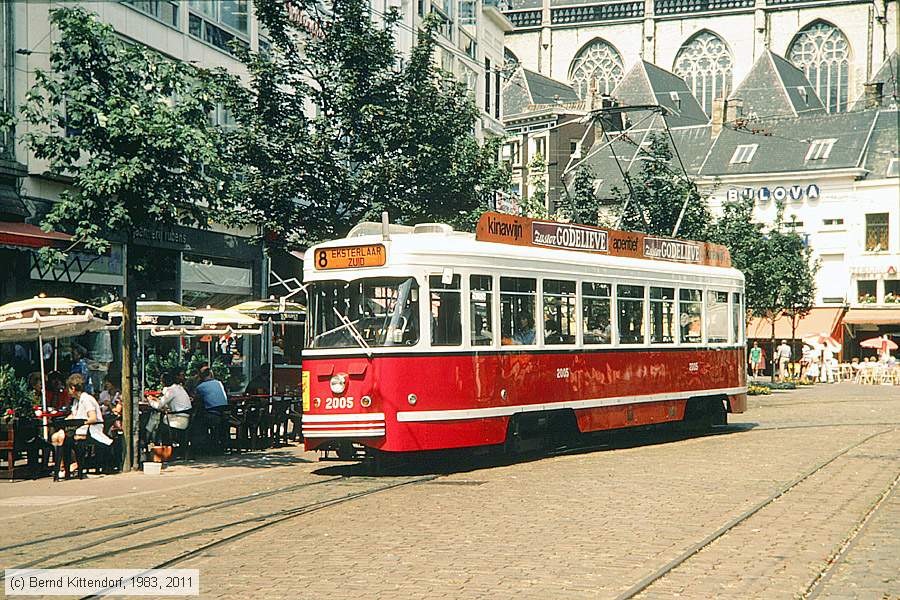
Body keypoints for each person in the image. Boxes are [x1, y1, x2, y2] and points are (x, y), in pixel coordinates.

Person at [51, 374, 112, 478]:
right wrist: (65, 421)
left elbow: (92, 418)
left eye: (68, 389)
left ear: (73, 388)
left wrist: (79, 424)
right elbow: (74, 415)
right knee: (55, 436)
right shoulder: (76, 401)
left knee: (63, 437)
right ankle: (62, 468)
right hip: (78, 427)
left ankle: (68, 467)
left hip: (91, 428)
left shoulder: (87, 399)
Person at [146, 371, 192, 442]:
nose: (161, 383)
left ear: (164, 382)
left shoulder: (171, 391)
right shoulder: (179, 388)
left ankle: (159, 444)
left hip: (178, 420)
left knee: (158, 422)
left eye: (161, 381)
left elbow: (158, 406)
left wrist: (149, 399)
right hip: (185, 418)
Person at [193, 366, 229, 453]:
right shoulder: (219, 383)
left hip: (212, 413)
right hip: (225, 412)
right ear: (211, 374)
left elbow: (197, 400)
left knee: (197, 422)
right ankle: (221, 444)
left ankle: (202, 446)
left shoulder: (200, 387)